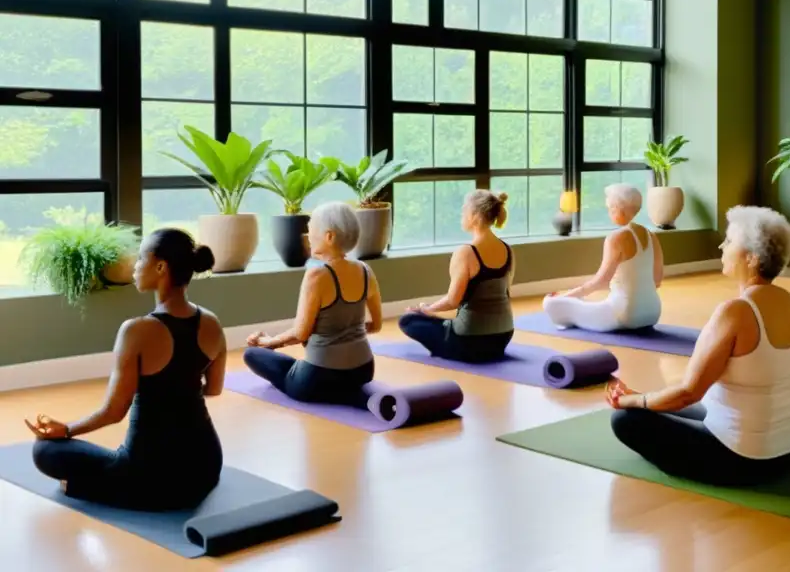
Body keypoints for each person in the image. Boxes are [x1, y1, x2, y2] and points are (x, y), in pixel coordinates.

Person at [27, 229, 226, 510]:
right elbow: (214, 388)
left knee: (44, 450)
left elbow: (114, 412)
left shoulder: (136, 330)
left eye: (141, 257)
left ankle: (88, 487)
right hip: (205, 467)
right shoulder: (212, 322)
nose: (135, 265)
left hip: (148, 475)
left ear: (160, 267)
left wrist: (67, 430)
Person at [607, 205, 790, 487]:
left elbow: (689, 393)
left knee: (625, 420)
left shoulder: (735, 312)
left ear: (751, 258)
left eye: (730, 241)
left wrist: (631, 401)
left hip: (744, 459)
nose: (723, 245)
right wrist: (646, 397)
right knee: (663, 405)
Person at [244, 201, 382, 403]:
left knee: (252, 355)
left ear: (329, 236)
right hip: (363, 372)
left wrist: (269, 342)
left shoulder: (317, 275)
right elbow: (376, 325)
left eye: (311, 230)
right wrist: (346, 336)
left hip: (319, 379)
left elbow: (301, 333)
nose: (308, 238)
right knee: (291, 362)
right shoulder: (365, 270)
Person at [398, 190, 515, 363]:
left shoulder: (466, 252)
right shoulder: (508, 250)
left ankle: (445, 338)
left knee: (408, 320)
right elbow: (505, 293)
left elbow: (453, 301)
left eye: (464, 211)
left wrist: (426, 310)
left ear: (474, 216)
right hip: (503, 337)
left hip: (470, 341)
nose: (462, 215)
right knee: (435, 317)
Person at [542, 183, 663, 332]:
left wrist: (567, 295)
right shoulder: (652, 236)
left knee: (549, 303)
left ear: (617, 208)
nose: (609, 212)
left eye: (610, 208)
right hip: (653, 312)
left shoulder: (616, 238)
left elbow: (600, 282)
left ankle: (559, 301)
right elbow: (657, 280)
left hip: (625, 314)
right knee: (582, 301)